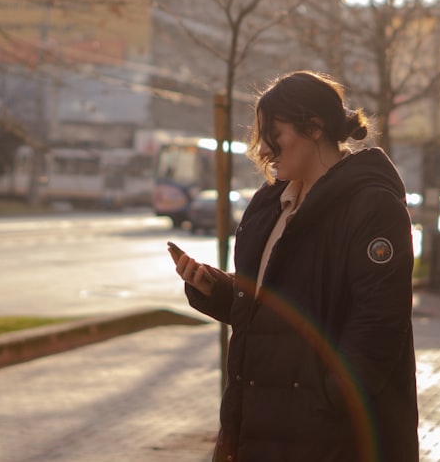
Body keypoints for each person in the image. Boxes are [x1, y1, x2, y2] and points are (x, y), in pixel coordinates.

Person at [172, 70, 419, 462]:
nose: (265, 150)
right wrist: (217, 288)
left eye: (275, 134)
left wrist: (326, 402)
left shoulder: (373, 208)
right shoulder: (269, 204)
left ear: (314, 127)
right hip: (256, 430)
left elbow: (377, 327)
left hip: (331, 441)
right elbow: (276, 308)